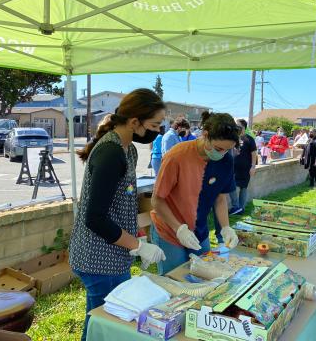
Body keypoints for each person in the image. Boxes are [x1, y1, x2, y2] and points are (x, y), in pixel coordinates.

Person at [69, 89, 167, 341]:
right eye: (155, 124)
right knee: (103, 325)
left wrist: (139, 238)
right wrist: (137, 246)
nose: (158, 130)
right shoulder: (110, 153)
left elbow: (123, 202)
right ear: (135, 122)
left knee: (108, 322)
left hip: (115, 252)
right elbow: (95, 218)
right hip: (99, 258)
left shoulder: (128, 150)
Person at [150, 112, 240, 274]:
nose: (222, 154)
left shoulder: (226, 160)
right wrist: (179, 229)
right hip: (170, 231)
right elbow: (157, 200)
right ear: (205, 135)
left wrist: (226, 227)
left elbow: (220, 198)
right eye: (219, 148)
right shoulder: (177, 156)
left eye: (228, 150)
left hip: (199, 230)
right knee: (177, 279)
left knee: (204, 276)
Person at [228, 119, 258, 215]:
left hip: (246, 169)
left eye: (239, 126)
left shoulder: (249, 139)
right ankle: (235, 206)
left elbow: (254, 154)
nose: (237, 128)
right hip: (233, 168)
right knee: (232, 187)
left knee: (243, 188)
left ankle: (241, 208)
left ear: (244, 127)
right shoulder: (233, 138)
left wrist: (253, 167)